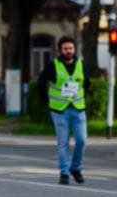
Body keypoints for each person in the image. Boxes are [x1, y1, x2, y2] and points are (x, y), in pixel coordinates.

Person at [38, 36, 90, 185]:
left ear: (74, 49)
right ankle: (64, 173)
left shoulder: (81, 64)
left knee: (81, 140)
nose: (69, 51)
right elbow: (41, 83)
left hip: (78, 109)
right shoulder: (53, 65)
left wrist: (82, 97)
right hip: (59, 110)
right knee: (63, 143)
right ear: (60, 50)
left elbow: (87, 83)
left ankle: (76, 168)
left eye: (71, 48)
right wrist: (46, 101)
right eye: (65, 49)